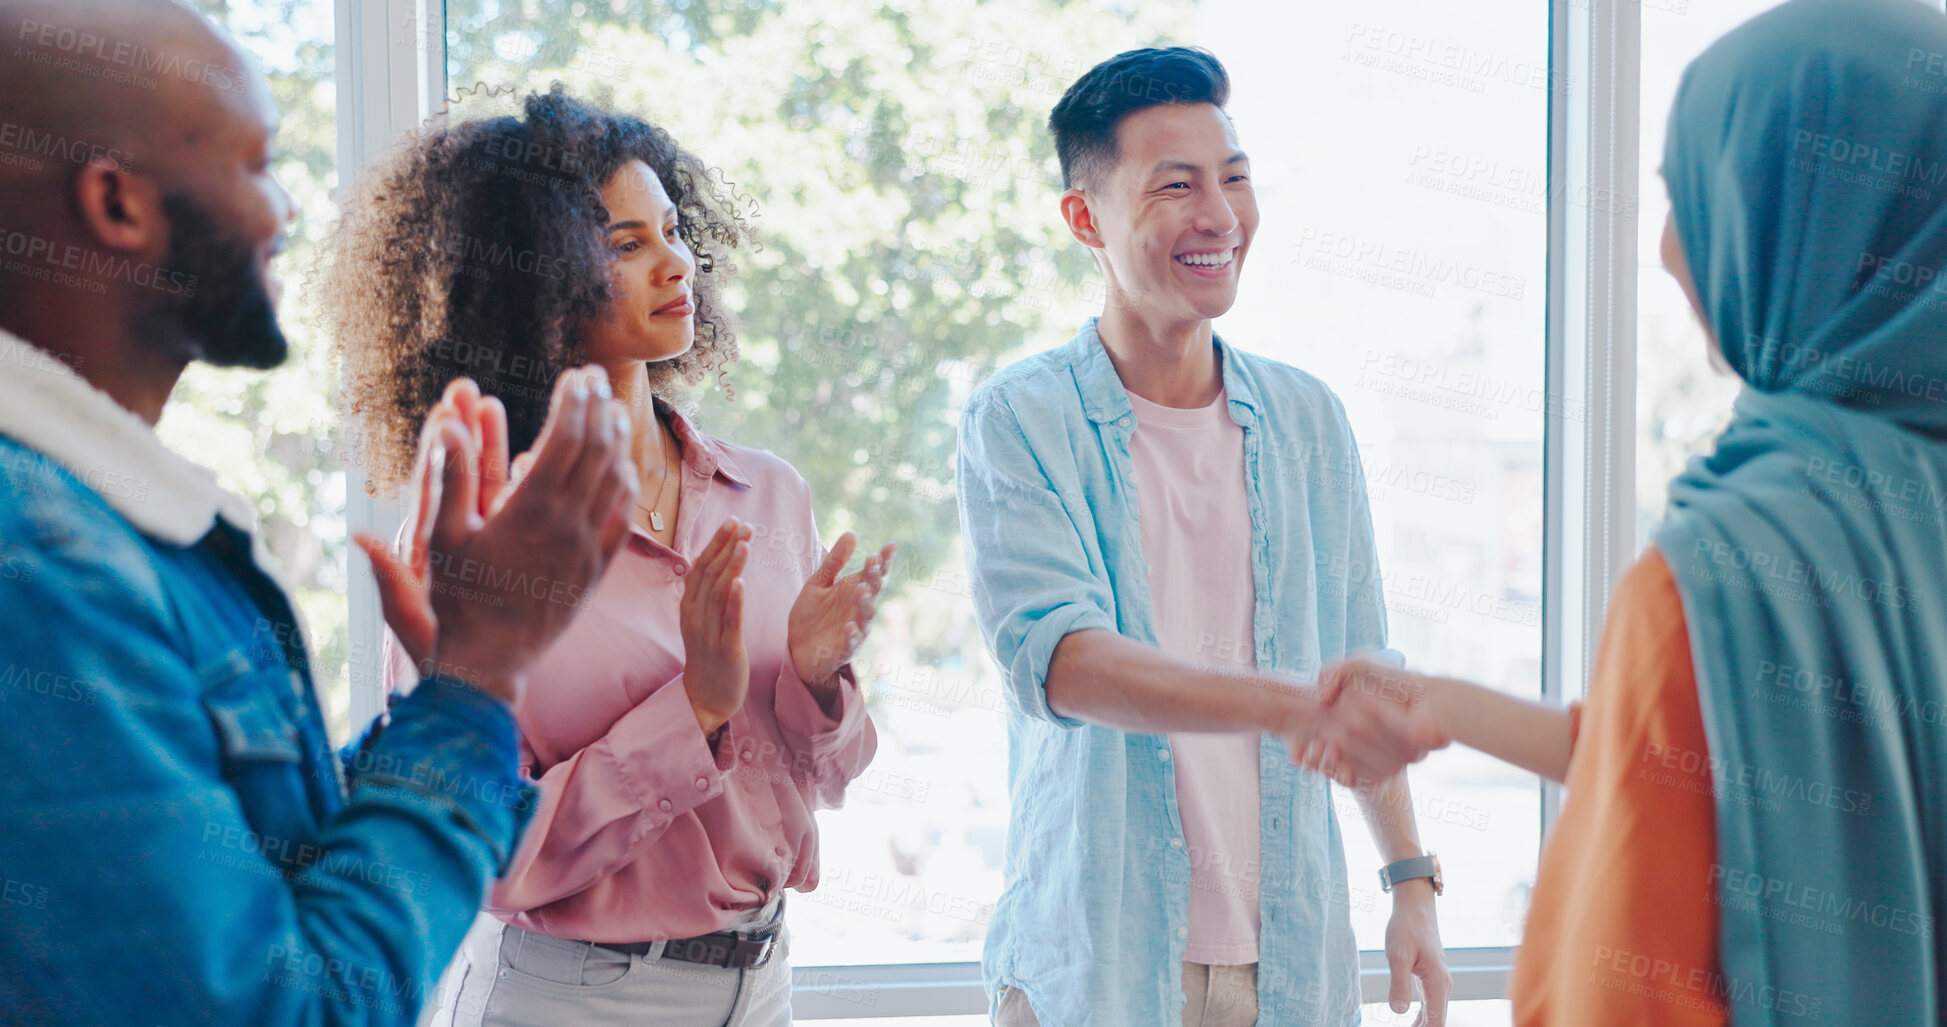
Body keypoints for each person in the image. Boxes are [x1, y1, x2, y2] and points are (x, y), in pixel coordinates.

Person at [0, 2, 640, 1023]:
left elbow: (245, 877)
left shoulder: (99, 525)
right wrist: (483, 676)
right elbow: (285, 1009)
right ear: (117, 205)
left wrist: (444, 704)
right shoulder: (39, 562)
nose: (285, 210)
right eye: (255, 164)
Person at [1310, 1, 1947, 1023]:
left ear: (1811, 222)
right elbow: (1744, 770)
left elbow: (1621, 985)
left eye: (1696, 198)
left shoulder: (1735, 569)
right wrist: (1449, 707)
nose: (1663, 249)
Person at [318, 86, 895, 1027]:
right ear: (532, 284)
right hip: (573, 999)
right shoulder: (476, 537)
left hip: (765, 979)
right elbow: (483, 854)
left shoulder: (771, 492)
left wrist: (817, 680)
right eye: (627, 246)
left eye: (672, 230)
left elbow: (825, 780)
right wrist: (694, 709)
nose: (675, 263)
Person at [956, 46, 1449, 1027]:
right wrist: (1286, 701)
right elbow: (1065, 664)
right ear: (1085, 218)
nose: (1220, 216)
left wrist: (1409, 880)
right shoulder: (1019, 419)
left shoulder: (1310, 420)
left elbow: (1363, 669)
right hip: (1103, 962)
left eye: (1234, 178)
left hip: (1292, 965)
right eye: (1176, 186)